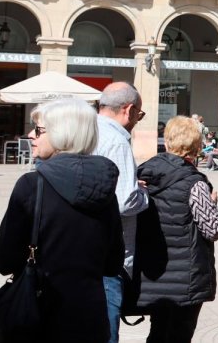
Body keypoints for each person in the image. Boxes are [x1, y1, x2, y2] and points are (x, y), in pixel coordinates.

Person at [0, 99, 124, 342]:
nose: (31, 135)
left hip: (39, 316)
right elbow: (113, 263)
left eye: (39, 130)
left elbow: (3, 260)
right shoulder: (105, 187)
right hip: (89, 319)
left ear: (62, 133)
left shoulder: (31, 185)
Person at [132, 116, 218, 342]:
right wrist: (212, 204)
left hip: (152, 273)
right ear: (196, 146)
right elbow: (213, 229)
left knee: (158, 332)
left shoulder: (143, 174)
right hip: (186, 279)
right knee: (179, 335)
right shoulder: (194, 183)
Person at [92, 81, 149, 343]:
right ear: (128, 110)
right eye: (139, 114)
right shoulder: (117, 141)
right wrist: (143, 193)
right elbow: (126, 202)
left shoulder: (87, 131)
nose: (138, 119)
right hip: (109, 260)